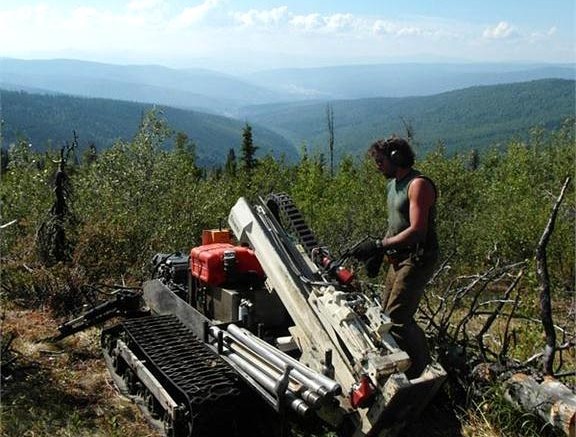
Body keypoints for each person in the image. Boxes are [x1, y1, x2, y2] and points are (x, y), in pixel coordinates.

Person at [351, 136, 439, 379]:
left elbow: (417, 230)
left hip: (418, 258)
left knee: (398, 319)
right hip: (398, 259)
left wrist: (379, 245)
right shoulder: (393, 185)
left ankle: (426, 372)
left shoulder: (417, 185)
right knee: (384, 317)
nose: (377, 165)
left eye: (380, 161)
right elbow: (396, 226)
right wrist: (380, 253)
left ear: (396, 158)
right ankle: (403, 366)